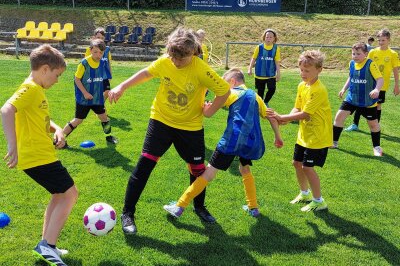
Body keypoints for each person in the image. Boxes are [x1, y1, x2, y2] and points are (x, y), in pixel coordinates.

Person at [108, 27, 231, 234]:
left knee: (198, 170)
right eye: (173, 57)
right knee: (144, 165)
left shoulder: (201, 69)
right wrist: (122, 87)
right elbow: (146, 73)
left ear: (192, 53)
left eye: (180, 59)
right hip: (161, 121)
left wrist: (209, 112)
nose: (175, 62)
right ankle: (128, 213)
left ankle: (199, 207)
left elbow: (224, 90)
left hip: (190, 127)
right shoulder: (166, 61)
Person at [163, 68, 283, 219]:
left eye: (225, 84)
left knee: (209, 172)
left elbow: (213, 107)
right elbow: (271, 117)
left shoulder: (232, 92)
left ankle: (180, 206)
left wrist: (206, 106)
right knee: (244, 169)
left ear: (232, 82)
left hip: (231, 141)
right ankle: (253, 207)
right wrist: (278, 137)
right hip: (250, 142)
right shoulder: (256, 96)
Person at [1, 44, 78, 265]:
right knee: (71, 195)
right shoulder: (31, 88)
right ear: (44, 69)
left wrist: (57, 130)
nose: (57, 80)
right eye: (57, 75)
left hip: (42, 154)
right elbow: (6, 110)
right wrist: (12, 146)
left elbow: (40, 118)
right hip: (37, 156)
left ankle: (47, 244)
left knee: (59, 195)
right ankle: (47, 246)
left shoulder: (37, 90)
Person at [268, 50, 332, 212]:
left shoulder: (319, 90)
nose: (303, 73)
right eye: (301, 70)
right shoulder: (302, 86)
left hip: (317, 136)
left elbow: (305, 114)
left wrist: (282, 117)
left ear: (319, 70)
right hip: (304, 134)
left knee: (307, 167)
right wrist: (286, 119)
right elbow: (297, 107)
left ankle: (319, 201)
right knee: (297, 163)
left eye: (307, 71)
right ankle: (305, 193)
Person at [62, 38, 118, 145]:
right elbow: (77, 79)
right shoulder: (84, 63)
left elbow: (105, 80)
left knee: (104, 117)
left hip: (97, 98)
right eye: (95, 52)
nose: (98, 55)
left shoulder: (103, 63)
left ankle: (109, 137)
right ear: (90, 50)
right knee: (78, 120)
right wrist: (85, 93)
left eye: (101, 53)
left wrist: (108, 92)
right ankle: (60, 139)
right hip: (84, 99)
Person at [332, 42, 383, 156]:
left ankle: (377, 147)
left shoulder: (370, 64)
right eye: (353, 53)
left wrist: (377, 90)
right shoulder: (351, 64)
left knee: (373, 125)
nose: (355, 56)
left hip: (367, 100)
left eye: (358, 54)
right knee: (338, 117)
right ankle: (334, 142)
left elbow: (380, 79)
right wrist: (343, 89)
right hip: (351, 98)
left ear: (366, 54)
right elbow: (351, 77)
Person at [345, 29, 399, 132]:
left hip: (381, 85)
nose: (381, 42)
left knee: (378, 105)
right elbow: (363, 62)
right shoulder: (373, 52)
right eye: (379, 40)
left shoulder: (393, 54)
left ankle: (375, 127)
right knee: (360, 102)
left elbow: (395, 70)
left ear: (389, 40)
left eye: (383, 40)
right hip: (367, 83)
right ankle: (355, 124)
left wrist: (397, 84)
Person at [248, 29, 281, 106]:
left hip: (271, 74)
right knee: (260, 92)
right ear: (264, 37)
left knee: (272, 89)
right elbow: (254, 58)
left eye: (270, 37)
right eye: (267, 37)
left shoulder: (276, 48)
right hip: (260, 74)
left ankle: (265, 102)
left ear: (274, 38)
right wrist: (250, 68)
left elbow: (277, 62)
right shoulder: (259, 47)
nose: (268, 39)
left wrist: (278, 74)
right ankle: (260, 104)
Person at [85, 27, 112, 101]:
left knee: (107, 92)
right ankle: (98, 108)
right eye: (98, 37)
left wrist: (110, 75)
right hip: (94, 75)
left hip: (104, 75)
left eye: (102, 38)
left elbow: (108, 63)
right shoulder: (89, 50)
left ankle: (99, 106)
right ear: (94, 38)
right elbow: (86, 64)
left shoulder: (107, 50)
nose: (100, 39)